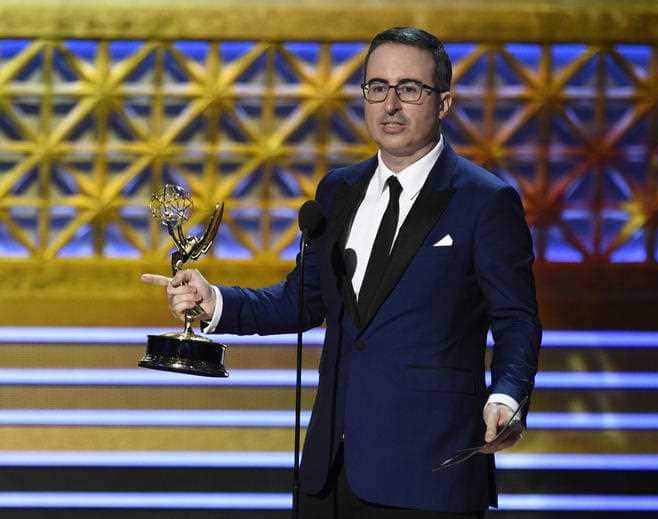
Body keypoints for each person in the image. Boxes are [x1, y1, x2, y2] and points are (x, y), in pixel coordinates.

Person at [143, 26, 541, 518]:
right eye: (377, 88)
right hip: (331, 472)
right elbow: (303, 299)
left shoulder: (485, 201)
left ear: (444, 103)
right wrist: (215, 301)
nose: (390, 104)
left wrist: (507, 394)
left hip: (430, 473)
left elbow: (516, 318)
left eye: (409, 89)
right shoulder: (338, 190)